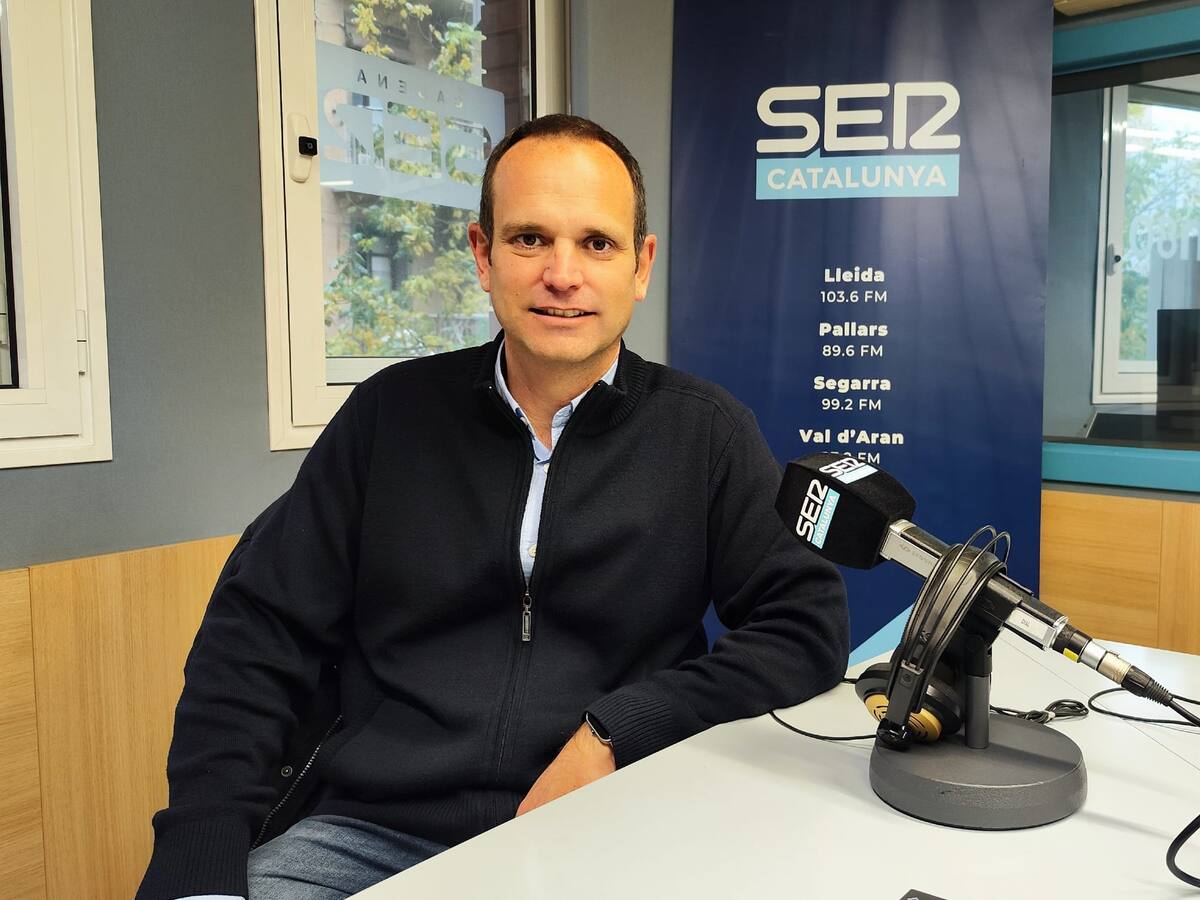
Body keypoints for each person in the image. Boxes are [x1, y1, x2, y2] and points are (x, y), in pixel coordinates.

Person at [137, 114, 849, 900]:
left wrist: (617, 731)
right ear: (483, 254)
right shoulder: (388, 417)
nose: (563, 274)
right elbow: (257, 633)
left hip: (609, 825)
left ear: (641, 265)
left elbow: (804, 625)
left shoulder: (705, 433)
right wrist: (200, 855)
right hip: (372, 834)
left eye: (597, 243)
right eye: (530, 239)